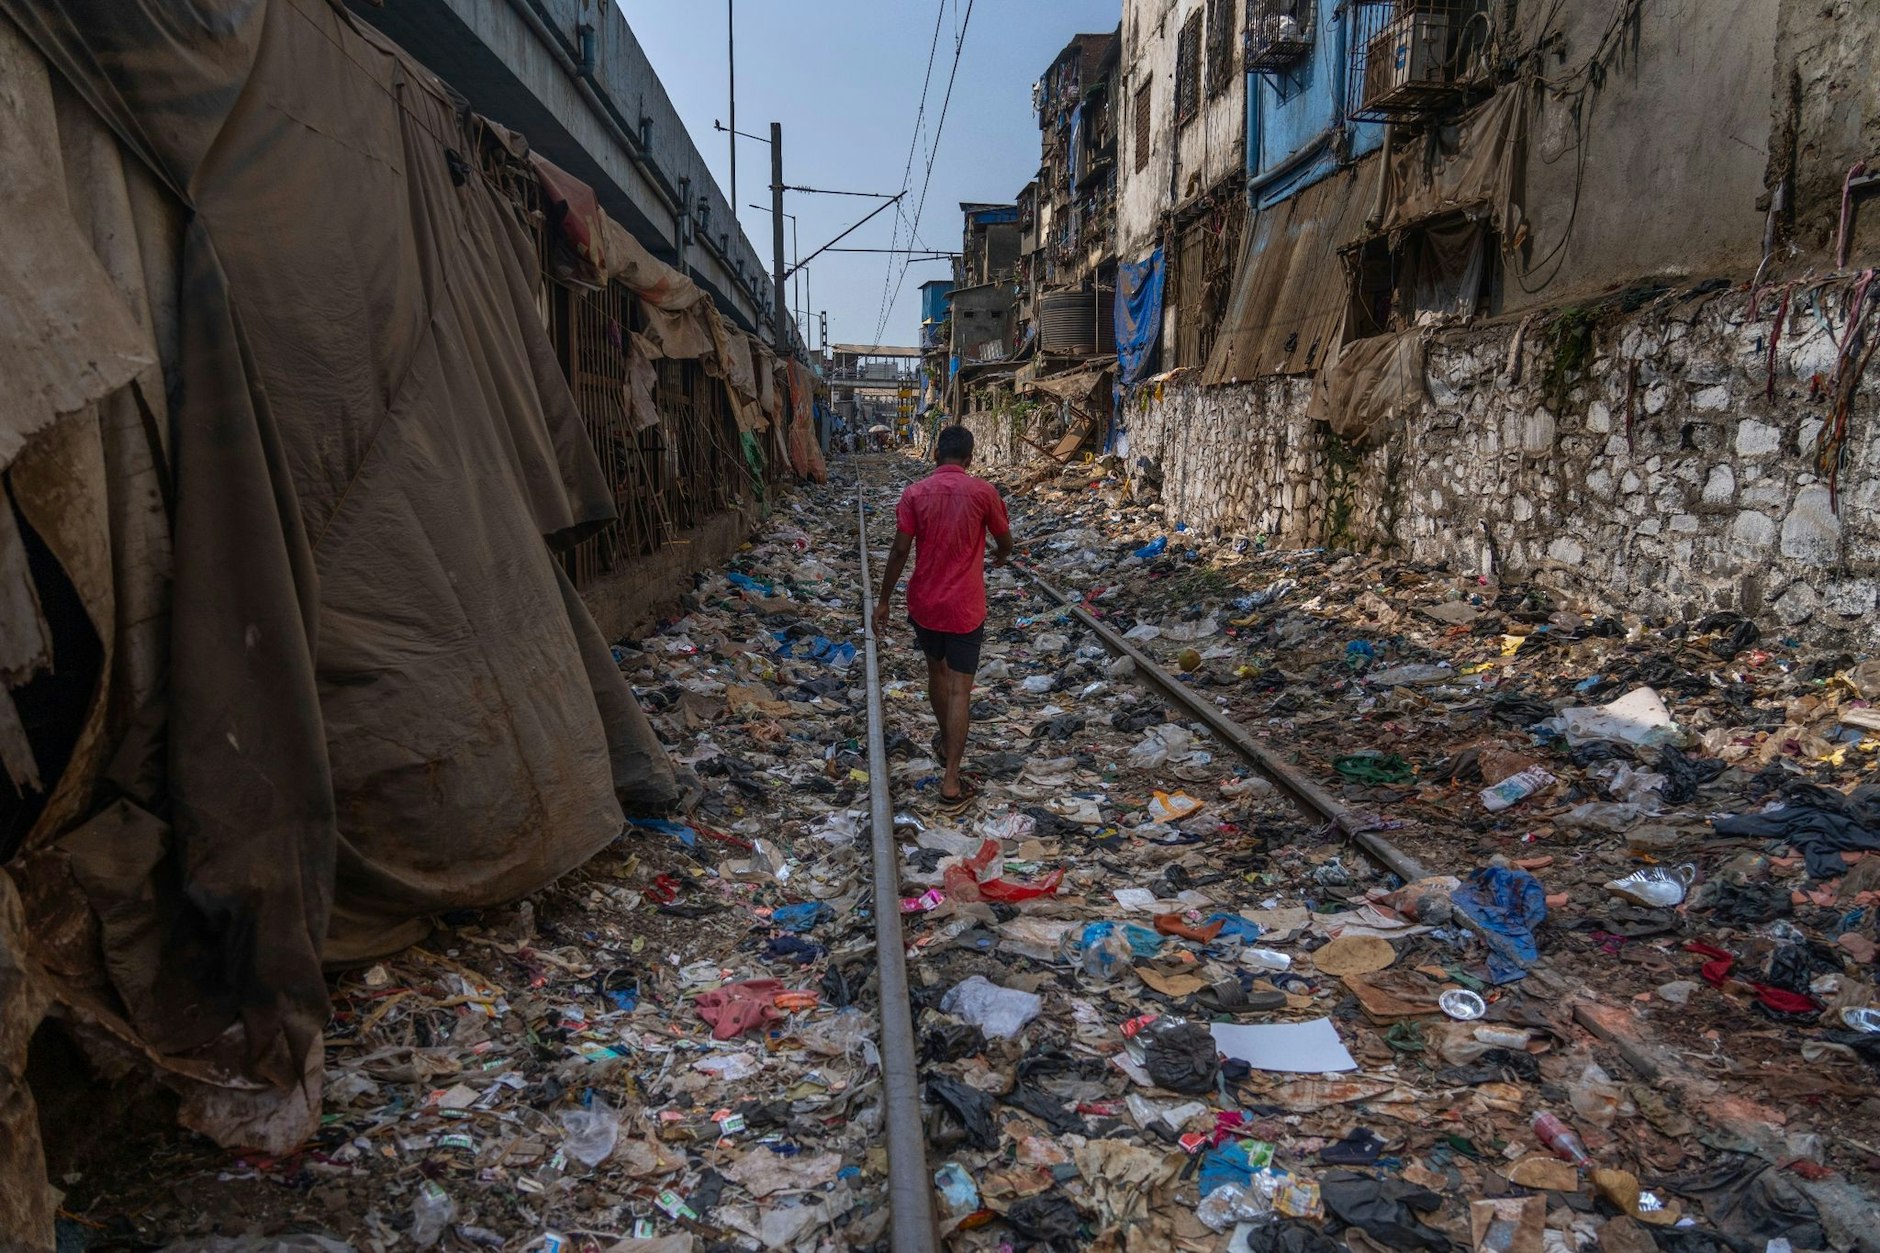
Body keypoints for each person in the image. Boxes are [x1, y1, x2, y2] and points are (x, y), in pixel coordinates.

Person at [873, 424, 1012, 807]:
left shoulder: (914, 494)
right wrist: (1000, 556)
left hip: (926, 605)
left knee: (937, 672)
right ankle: (951, 778)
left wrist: (884, 600)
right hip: (966, 607)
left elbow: (900, 551)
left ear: (935, 454)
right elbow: (1005, 540)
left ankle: (945, 740)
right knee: (961, 690)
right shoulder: (984, 492)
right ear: (968, 459)